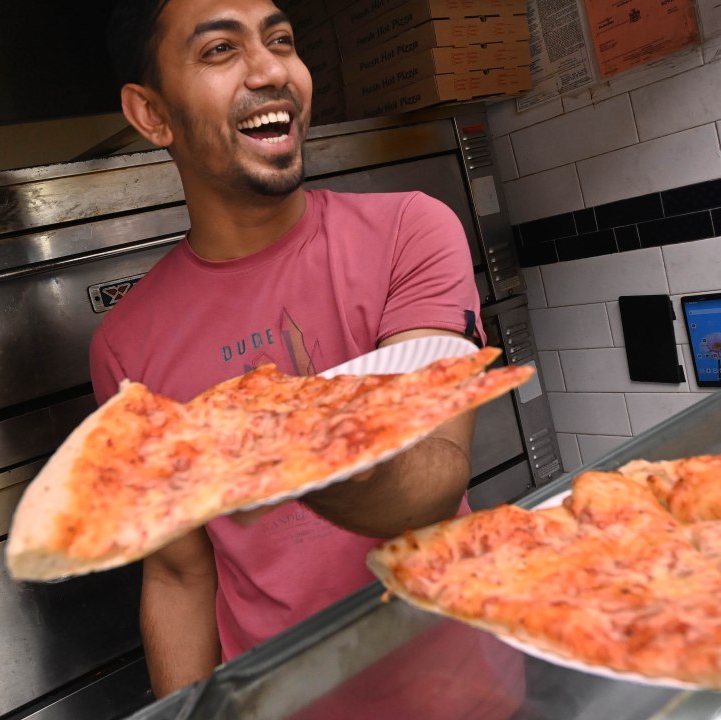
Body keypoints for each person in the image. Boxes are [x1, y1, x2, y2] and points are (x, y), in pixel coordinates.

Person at [93, 0, 513, 705]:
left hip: (459, 687)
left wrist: (289, 447)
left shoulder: (409, 231)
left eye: (281, 40)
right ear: (151, 114)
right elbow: (178, 575)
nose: (271, 71)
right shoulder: (124, 346)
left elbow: (435, 474)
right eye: (221, 51)